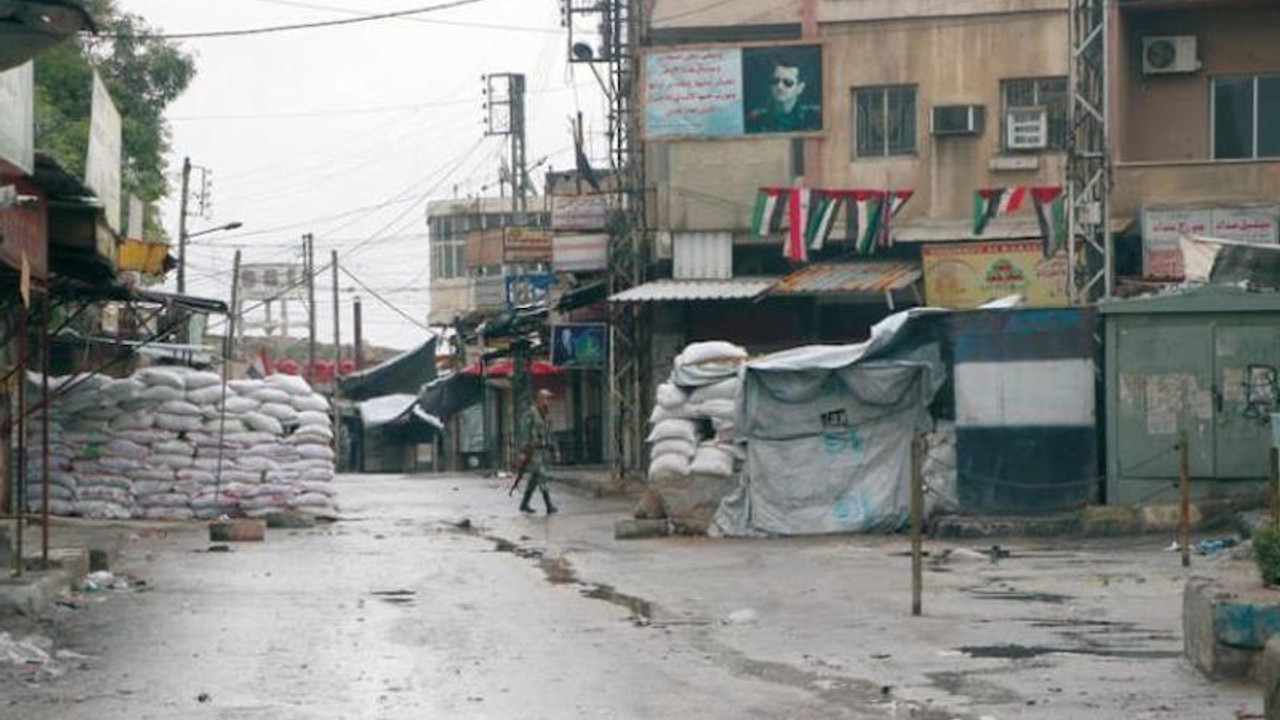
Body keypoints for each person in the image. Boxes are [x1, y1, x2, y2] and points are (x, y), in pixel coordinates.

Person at [745, 59, 821, 134]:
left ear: (800, 88)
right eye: (775, 81)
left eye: (787, 82)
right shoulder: (755, 120)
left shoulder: (815, 118)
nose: (779, 87)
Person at [518, 388, 558, 515]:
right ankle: (549, 505)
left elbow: (550, 434)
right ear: (539, 399)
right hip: (532, 450)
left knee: (534, 479)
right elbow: (524, 433)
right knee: (542, 474)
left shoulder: (546, 415)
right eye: (546, 398)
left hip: (542, 450)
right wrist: (523, 452)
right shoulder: (531, 413)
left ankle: (524, 504)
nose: (548, 401)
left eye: (549, 399)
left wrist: (555, 450)